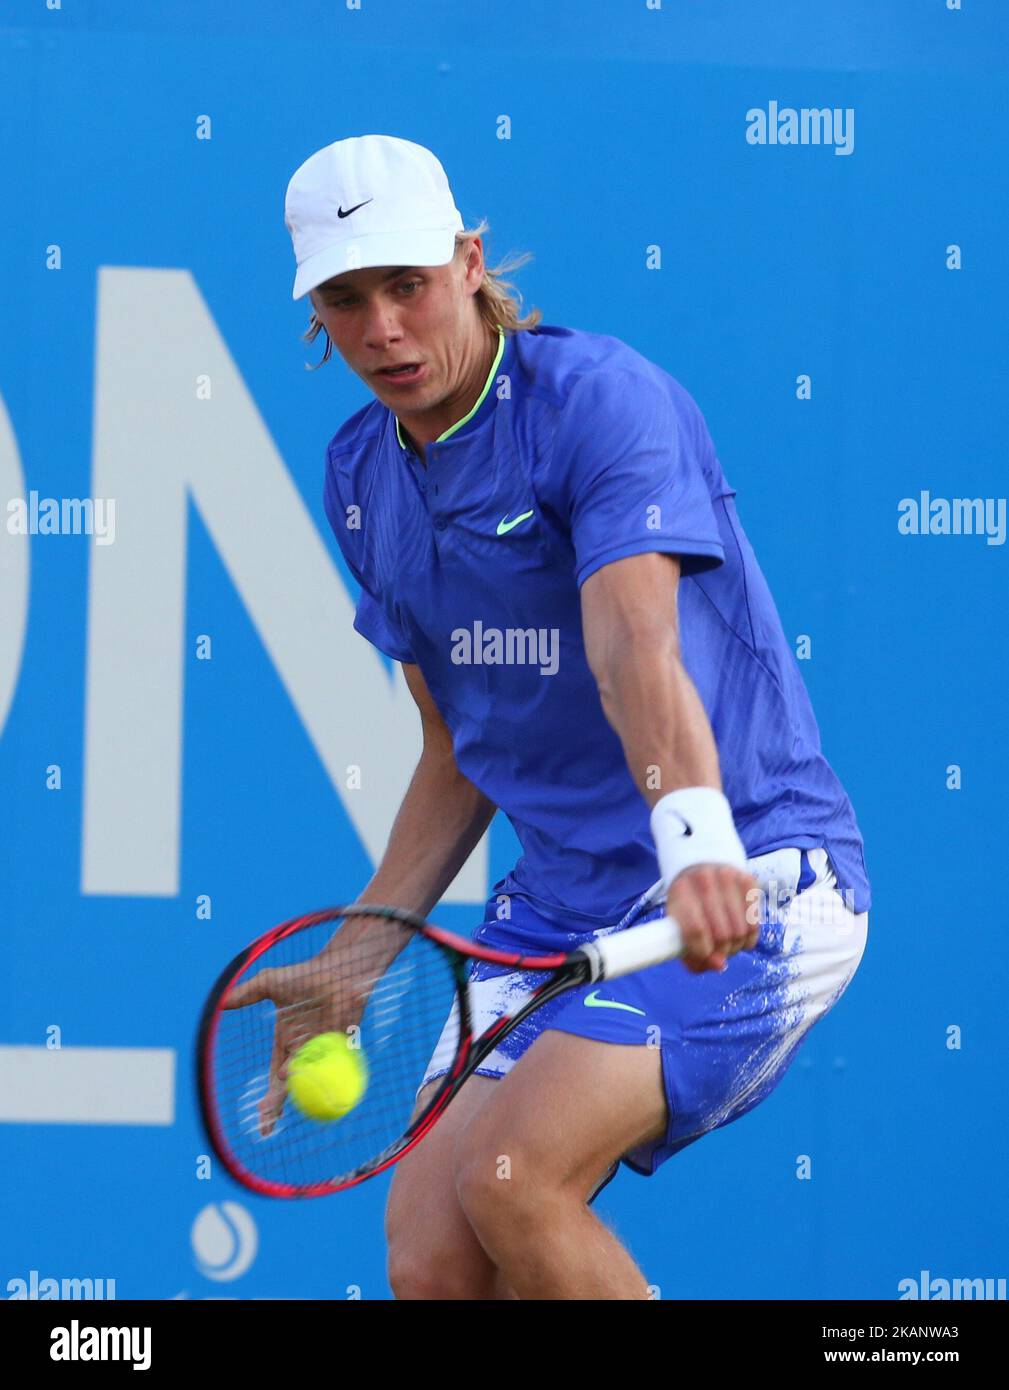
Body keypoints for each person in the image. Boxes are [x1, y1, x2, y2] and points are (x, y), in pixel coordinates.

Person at [281, 133, 871, 1300]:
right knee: (432, 1259)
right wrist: (363, 945)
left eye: (407, 284)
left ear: (467, 261)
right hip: (558, 909)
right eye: (347, 299)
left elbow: (630, 644)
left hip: (754, 872)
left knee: (513, 1176)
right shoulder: (361, 474)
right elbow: (459, 747)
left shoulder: (601, 403)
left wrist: (695, 836)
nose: (384, 328)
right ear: (317, 313)